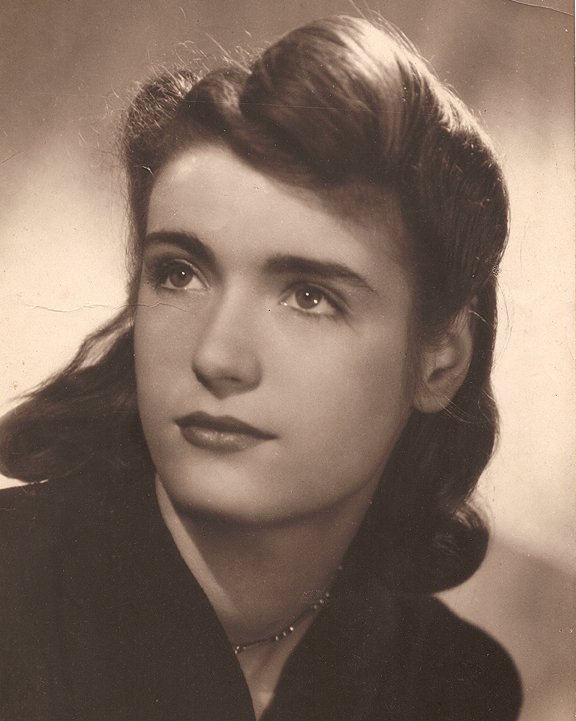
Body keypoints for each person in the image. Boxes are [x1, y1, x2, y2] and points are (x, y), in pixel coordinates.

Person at [0, 15, 522, 721]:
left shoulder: (453, 684)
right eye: (179, 274)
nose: (216, 356)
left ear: (440, 359)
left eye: (309, 296)